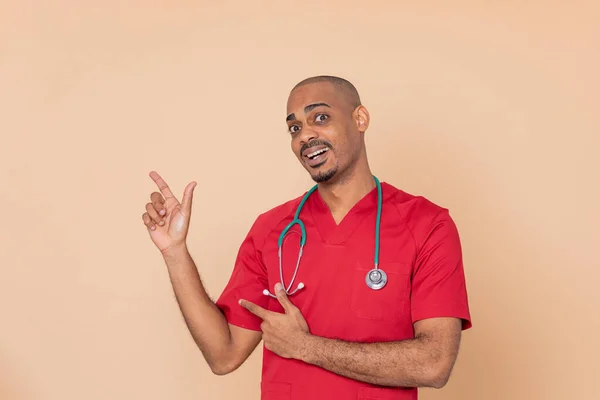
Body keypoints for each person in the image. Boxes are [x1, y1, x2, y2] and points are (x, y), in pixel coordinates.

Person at [141, 75, 472, 399]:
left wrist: (307, 348)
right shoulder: (273, 230)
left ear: (360, 118)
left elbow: (434, 363)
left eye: (321, 118)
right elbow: (224, 354)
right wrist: (175, 253)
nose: (305, 136)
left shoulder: (427, 225)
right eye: (294, 128)